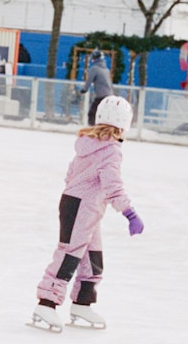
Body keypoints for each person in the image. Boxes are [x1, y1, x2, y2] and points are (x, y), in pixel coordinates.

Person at [30, 95, 143, 332]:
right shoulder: (111, 149)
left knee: (93, 256)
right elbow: (112, 185)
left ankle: (82, 302)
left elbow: (71, 174)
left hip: (83, 206)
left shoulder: (88, 143)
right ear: (124, 125)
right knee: (70, 254)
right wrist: (129, 213)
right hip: (81, 206)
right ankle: (46, 303)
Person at [78, 50, 113, 125]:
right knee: (103, 115)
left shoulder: (94, 68)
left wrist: (84, 89)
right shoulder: (106, 70)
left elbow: (89, 80)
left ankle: (92, 130)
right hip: (109, 95)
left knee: (92, 113)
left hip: (101, 96)